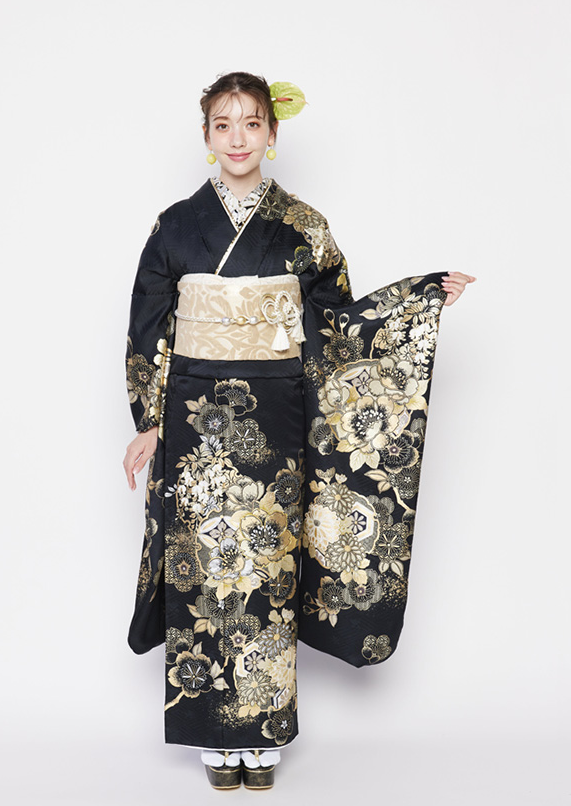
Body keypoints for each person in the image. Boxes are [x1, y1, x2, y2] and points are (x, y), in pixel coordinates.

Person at [122, 71, 475, 791]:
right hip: (193, 419)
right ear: (206, 135)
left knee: (267, 563)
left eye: (252, 123)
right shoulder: (174, 226)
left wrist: (417, 302)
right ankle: (212, 734)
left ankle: (262, 732)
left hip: (278, 415)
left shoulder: (304, 227)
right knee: (204, 567)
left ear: (273, 134)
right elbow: (148, 327)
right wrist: (148, 421)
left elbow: (337, 326)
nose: (238, 138)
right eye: (224, 124)